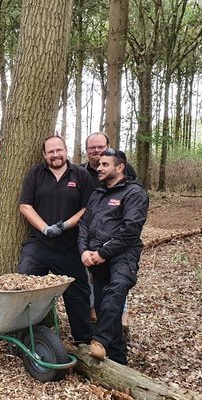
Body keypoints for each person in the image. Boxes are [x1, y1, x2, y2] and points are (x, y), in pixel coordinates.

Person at [18, 135, 94, 344]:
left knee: (78, 293)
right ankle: (26, 336)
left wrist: (65, 225)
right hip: (39, 244)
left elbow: (88, 208)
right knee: (23, 284)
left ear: (65, 150)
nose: (55, 155)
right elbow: (25, 205)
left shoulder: (81, 175)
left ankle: (83, 341)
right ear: (44, 154)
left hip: (70, 246)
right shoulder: (35, 174)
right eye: (50, 152)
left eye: (58, 150)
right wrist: (45, 228)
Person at [79, 148, 149, 365]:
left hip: (123, 256)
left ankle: (99, 341)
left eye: (105, 165)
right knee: (103, 307)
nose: (99, 168)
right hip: (96, 258)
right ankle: (118, 361)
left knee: (115, 291)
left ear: (120, 168)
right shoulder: (97, 194)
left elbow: (130, 230)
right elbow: (84, 224)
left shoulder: (134, 193)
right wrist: (84, 251)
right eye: (99, 164)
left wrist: (102, 253)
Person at [82, 132, 139, 326]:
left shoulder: (125, 170)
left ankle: (120, 323)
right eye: (92, 148)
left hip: (115, 237)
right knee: (93, 280)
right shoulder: (82, 171)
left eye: (100, 147)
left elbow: (131, 206)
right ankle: (95, 316)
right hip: (91, 231)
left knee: (117, 281)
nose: (96, 151)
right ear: (87, 150)